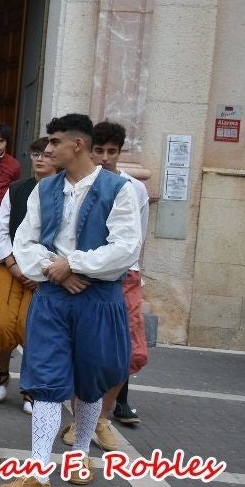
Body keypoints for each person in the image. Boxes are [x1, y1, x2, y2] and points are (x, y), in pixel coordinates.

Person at [0, 113, 141, 487]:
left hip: (98, 298)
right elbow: (25, 242)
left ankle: (79, 457)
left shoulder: (119, 188)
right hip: (54, 297)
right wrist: (55, 270)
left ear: (77, 144)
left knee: (90, 378)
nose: (48, 149)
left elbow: (126, 247)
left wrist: (72, 264)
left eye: (55, 142)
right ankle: (38, 474)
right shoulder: (44, 190)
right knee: (44, 378)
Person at [86, 120, 151, 429]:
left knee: (129, 351)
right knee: (87, 349)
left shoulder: (134, 188)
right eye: (99, 150)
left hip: (125, 276)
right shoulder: (79, 185)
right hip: (86, 275)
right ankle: (84, 418)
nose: (105, 158)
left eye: (112, 151)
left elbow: (137, 239)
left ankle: (103, 415)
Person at [0, 137, 55, 414]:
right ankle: (2, 373)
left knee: (31, 327)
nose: (40, 159)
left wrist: (43, 270)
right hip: (11, 267)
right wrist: (14, 265)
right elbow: (0, 232)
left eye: (47, 155)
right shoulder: (16, 190)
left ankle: (30, 386)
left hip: (45, 274)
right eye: (36, 153)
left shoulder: (65, 193)